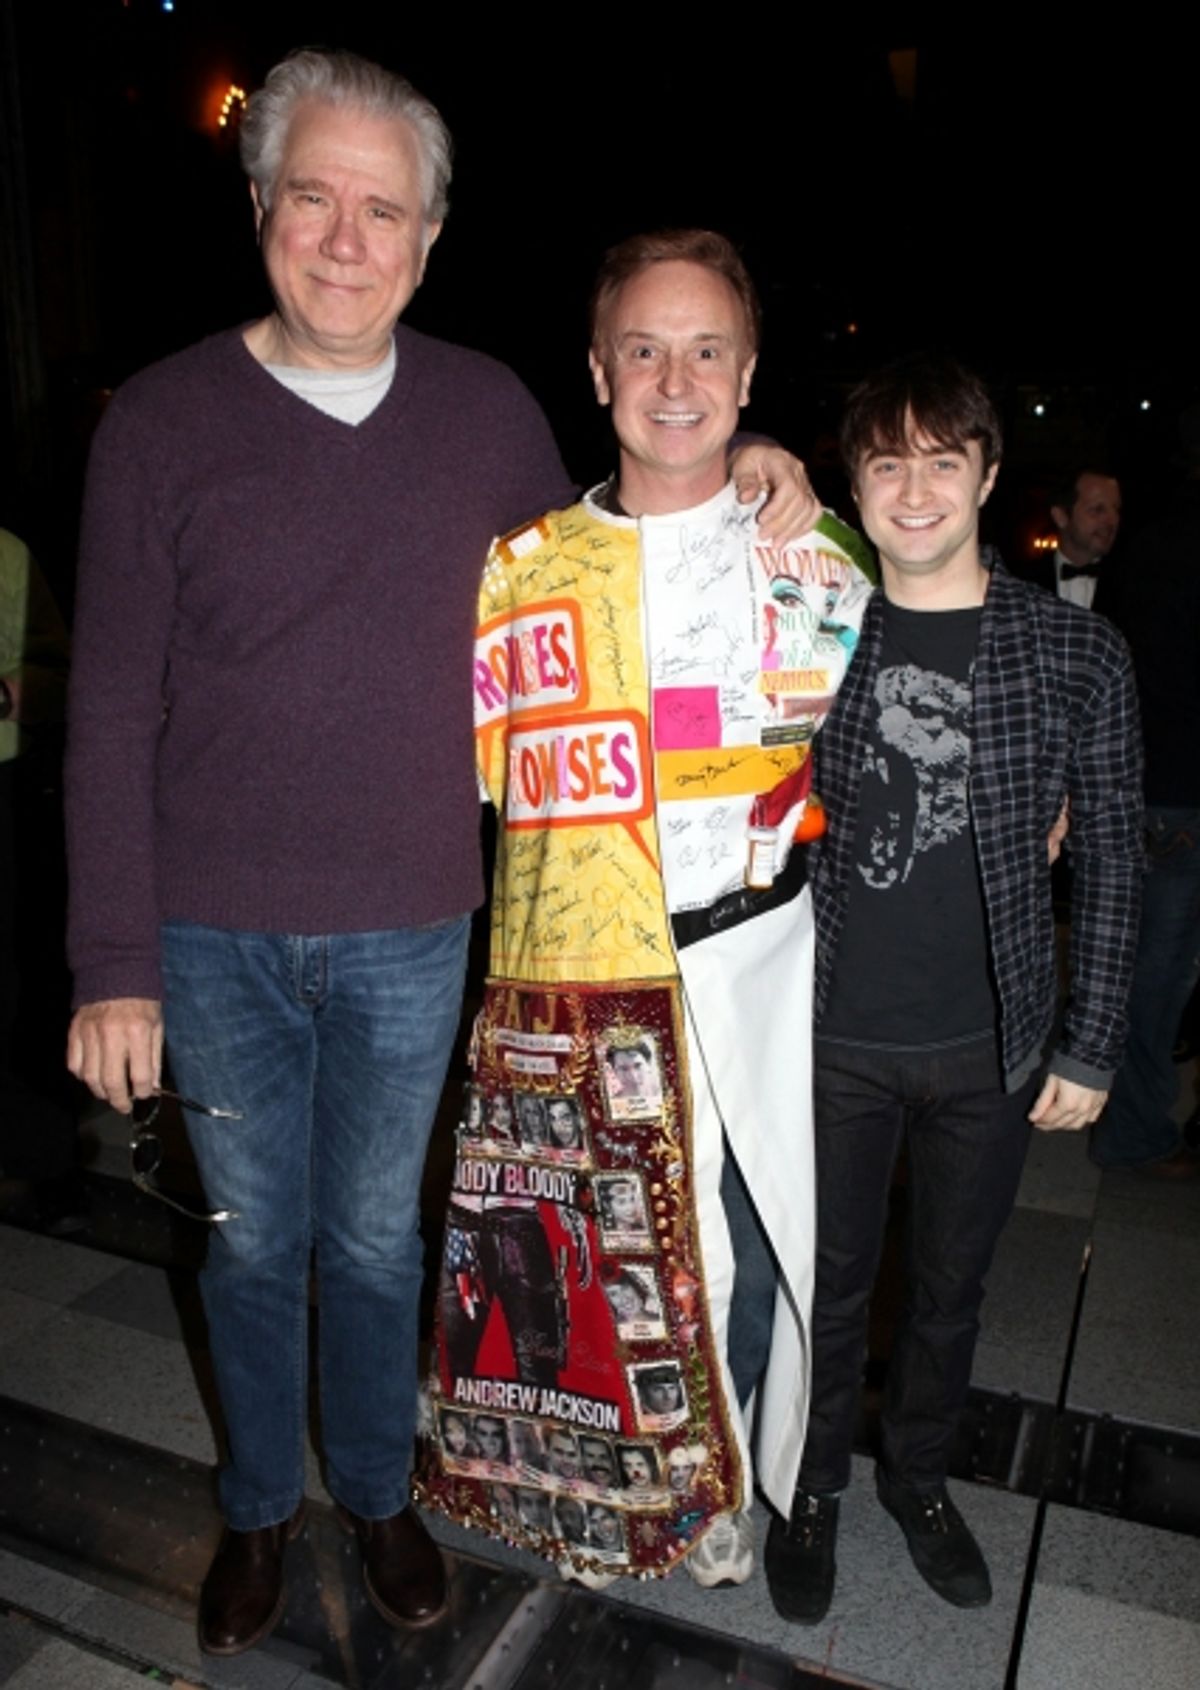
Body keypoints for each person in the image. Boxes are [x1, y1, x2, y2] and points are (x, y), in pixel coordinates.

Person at [62, 45, 816, 1657]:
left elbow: (611, 558)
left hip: (418, 922)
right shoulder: (162, 423)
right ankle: (263, 1507)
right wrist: (112, 963)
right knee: (254, 1242)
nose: (347, 238)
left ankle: (382, 1488)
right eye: (314, 199)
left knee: (376, 1238)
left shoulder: (484, 414)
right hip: (212, 928)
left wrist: (761, 469)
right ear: (263, 207)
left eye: (382, 208)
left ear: (428, 235)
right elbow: (110, 708)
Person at [420, 229, 875, 1591]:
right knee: (660, 1256)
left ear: (746, 377)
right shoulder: (522, 570)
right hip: (596, 975)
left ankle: (796, 1476)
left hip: (769, 951)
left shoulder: (821, 558)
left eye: (704, 349)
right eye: (643, 347)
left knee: (786, 1236)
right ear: (598, 368)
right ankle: (695, 1493)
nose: (673, 378)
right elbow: (488, 785)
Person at [764, 354, 1142, 1624]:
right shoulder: (811, 620)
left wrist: (1090, 1047)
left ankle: (916, 1477)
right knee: (826, 1284)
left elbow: (1111, 858)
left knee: (951, 1290)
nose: (914, 488)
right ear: (854, 487)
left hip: (992, 1040)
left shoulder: (1075, 649)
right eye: (886, 462)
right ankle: (808, 1487)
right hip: (827, 1030)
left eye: (942, 459)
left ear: (985, 474)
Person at [1093, 408, 1200, 1175]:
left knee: (1152, 971)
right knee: (1160, 974)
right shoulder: (1174, 547)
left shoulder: (1148, 547)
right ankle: (1133, 1129)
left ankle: (1132, 1121)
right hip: (1179, 791)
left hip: (1156, 784)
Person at [1033, 468, 1122, 610]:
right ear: (1061, 517)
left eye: (1116, 509)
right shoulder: (1024, 581)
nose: (1113, 521)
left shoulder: (1134, 582)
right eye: (1098, 509)